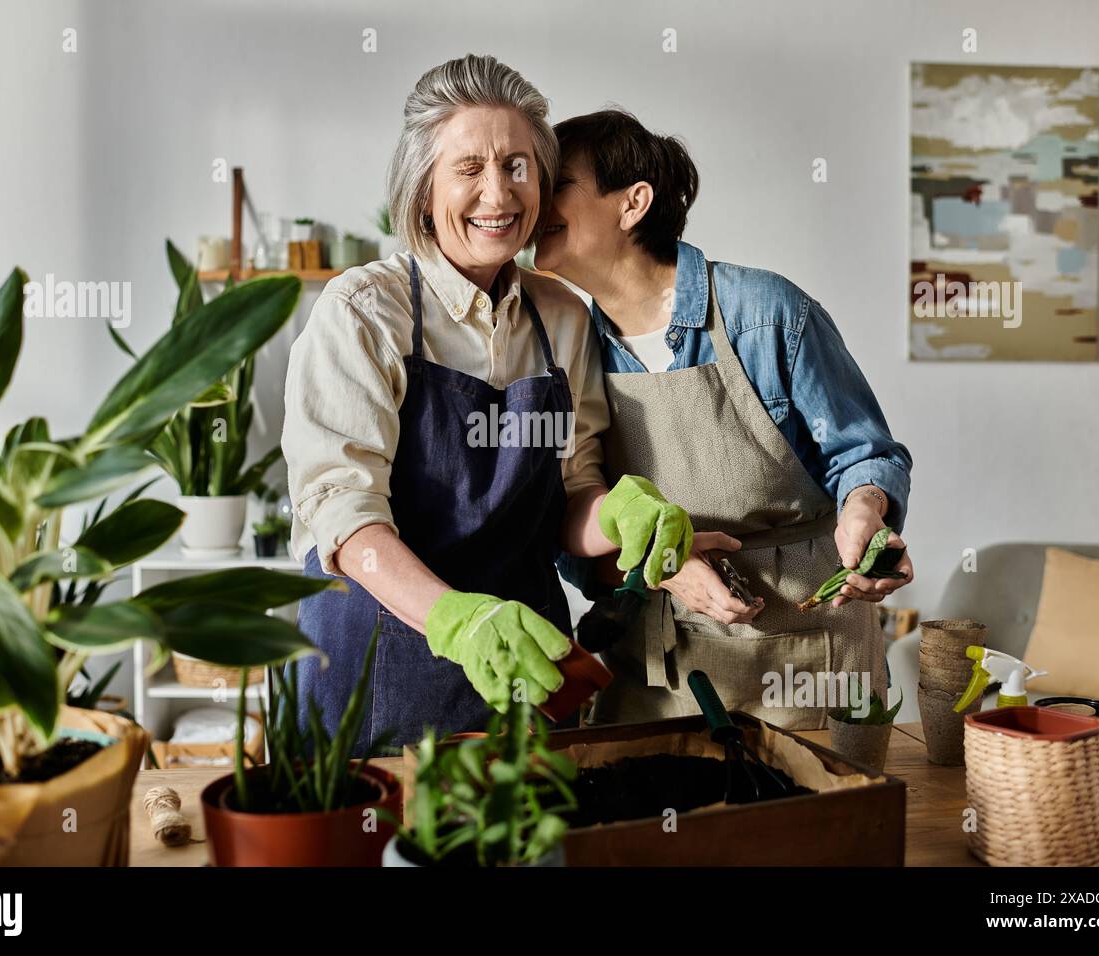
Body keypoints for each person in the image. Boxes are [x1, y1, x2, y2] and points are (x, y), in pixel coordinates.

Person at [281, 60, 691, 752]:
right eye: (468, 168)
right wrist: (457, 622)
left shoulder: (560, 316)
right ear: (422, 191)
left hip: (519, 679)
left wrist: (620, 513)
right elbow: (345, 521)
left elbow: (570, 494)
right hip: (372, 678)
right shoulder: (363, 311)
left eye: (517, 165)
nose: (496, 193)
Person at [538, 109, 914, 729]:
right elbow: (576, 538)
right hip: (660, 673)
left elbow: (866, 455)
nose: (532, 200)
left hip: (809, 658)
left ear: (632, 203)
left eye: (560, 184)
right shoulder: (569, 343)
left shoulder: (764, 314)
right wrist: (661, 567)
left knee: (820, 824)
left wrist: (864, 511)